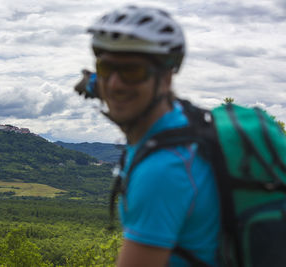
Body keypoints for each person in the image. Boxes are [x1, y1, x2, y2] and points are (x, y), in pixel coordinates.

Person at [79, 5, 221, 267]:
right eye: (106, 68)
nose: (115, 85)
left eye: (132, 71)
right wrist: (91, 82)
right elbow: (115, 84)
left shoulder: (162, 171)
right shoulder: (184, 120)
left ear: (166, 77)